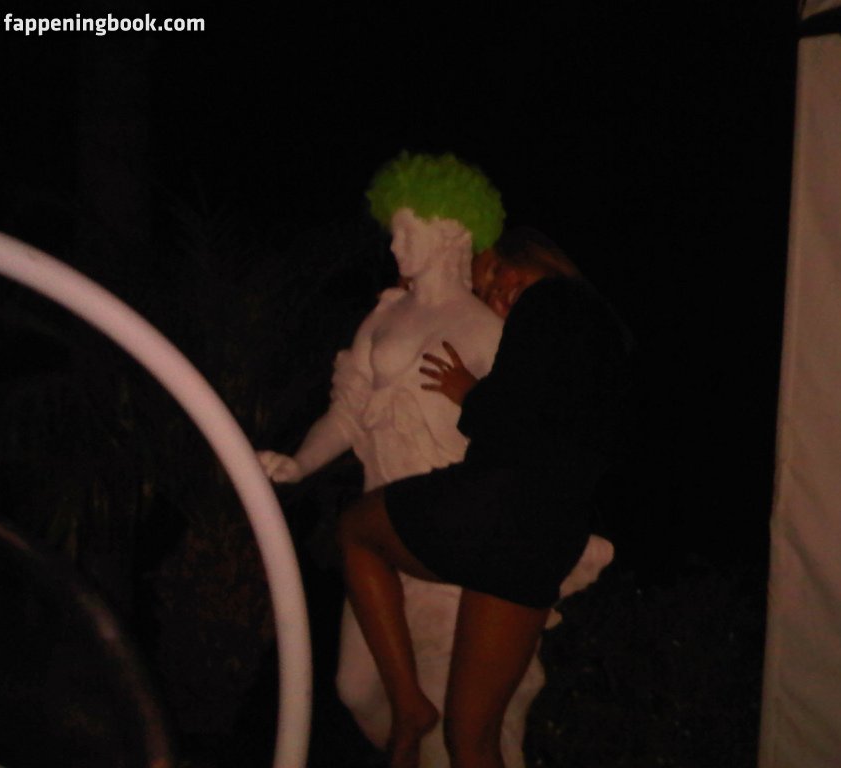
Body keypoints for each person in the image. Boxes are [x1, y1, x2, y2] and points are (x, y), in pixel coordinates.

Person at [257, 155, 613, 767]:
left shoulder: (504, 330)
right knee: (357, 689)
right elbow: (349, 411)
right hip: (394, 531)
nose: (394, 247)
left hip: (459, 540)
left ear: (451, 232)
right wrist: (300, 463)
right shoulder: (383, 317)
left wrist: (475, 398)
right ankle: (410, 715)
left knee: (465, 730)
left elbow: (532, 433)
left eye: (407, 231)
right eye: (392, 232)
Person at [338, 227, 632, 768]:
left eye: (498, 271)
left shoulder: (549, 299)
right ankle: (414, 713)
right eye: (487, 291)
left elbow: (511, 420)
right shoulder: (607, 335)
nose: (500, 290)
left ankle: (408, 707)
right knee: (472, 741)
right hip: (547, 538)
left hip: (498, 503)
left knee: (357, 531)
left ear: (534, 257)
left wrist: (468, 392)